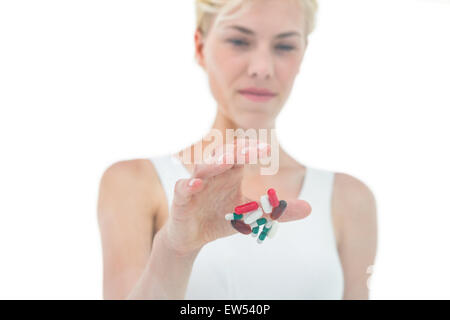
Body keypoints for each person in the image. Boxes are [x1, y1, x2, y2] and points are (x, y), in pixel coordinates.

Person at [97, 0, 378, 300]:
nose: (262, 69)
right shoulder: (134, 183)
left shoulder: (351, 199)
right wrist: (175, 251)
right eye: (239, 41)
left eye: (284, 46)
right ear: (201, 47)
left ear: (303, 54)